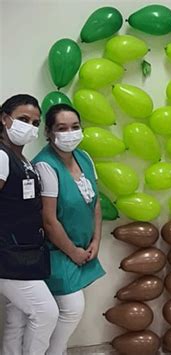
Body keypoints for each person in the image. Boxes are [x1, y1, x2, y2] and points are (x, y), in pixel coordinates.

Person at [33, 104, 105, 354]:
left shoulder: (84, 158)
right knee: (72, 308)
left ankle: (57, 351)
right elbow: (49, 221)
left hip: (82, 247)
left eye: (75, 127)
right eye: (61, 128)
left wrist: (97, 239)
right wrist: (73, 251)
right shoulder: (45, 165)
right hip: (56, 251)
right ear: (48, 132)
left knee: (64, 311)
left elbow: (95, 202)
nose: (70, 133)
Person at [0, 94, 59, 354]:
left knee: (18, 319)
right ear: (4, 119)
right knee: (46, 312)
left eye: (35, 122)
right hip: (8, 254)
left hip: (24, 252)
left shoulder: (22, 159)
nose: (30, 127)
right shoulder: (2, 157)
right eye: (23, 119)